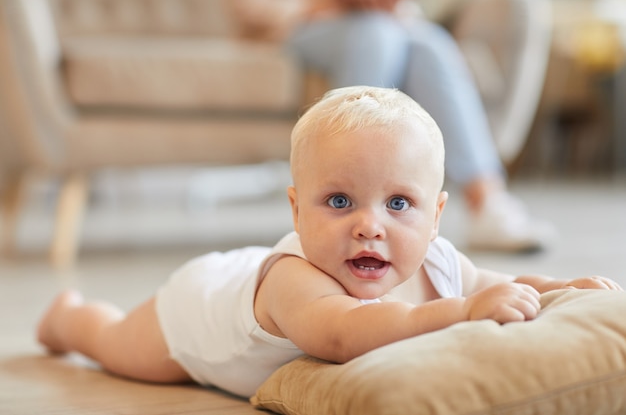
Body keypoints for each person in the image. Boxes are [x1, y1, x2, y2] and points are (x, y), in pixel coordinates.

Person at [36, 86, 622, 399]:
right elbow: (344, 335)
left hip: (241, 282)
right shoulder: (299, 280)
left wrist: (555, 288)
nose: (370, 226)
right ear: (296, 209)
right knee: (118, 348)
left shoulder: (438, 261)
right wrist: (464, 312)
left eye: (399, 204)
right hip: (200, 312)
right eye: (339, 202)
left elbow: (494, 285)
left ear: (437, 216)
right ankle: (71, 319)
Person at [230, 0, 555, 252]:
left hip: (381, 25)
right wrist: (327, 7)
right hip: (297, 27)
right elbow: (250, 13)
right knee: (376, 35)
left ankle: (485, 198)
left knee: (429, 43)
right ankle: (346, 194)